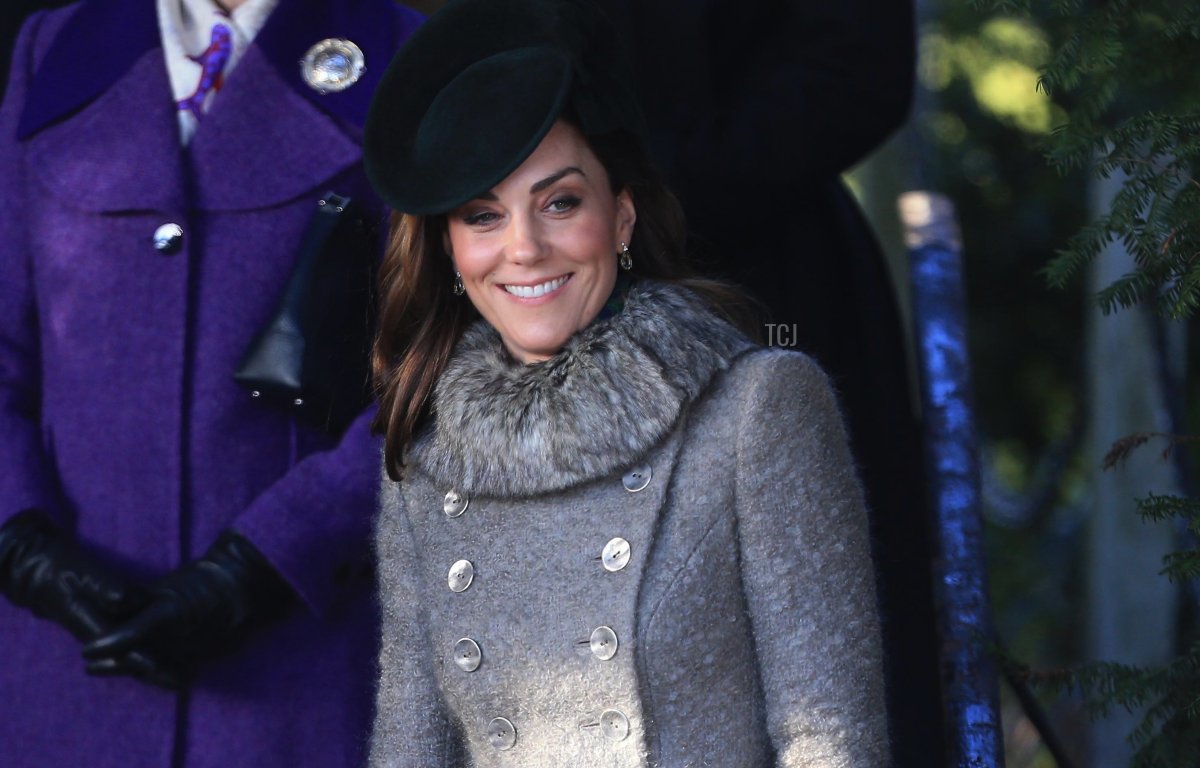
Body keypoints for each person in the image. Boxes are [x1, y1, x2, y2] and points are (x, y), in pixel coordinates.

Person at [362, 0, 888, 764]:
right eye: (482, 215)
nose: (525, 248)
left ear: (623, 217)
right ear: (448, 253)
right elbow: (409, 748)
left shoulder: (759, 407)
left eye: (561, 202)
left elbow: (831, 740)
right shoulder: (429, 455)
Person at [0, 0, 421, 766]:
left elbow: (445, 370)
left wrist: (259, 568)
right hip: (63, 680)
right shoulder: (54, 44)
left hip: (296, 671)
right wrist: (19, 543)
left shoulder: (405, 51)